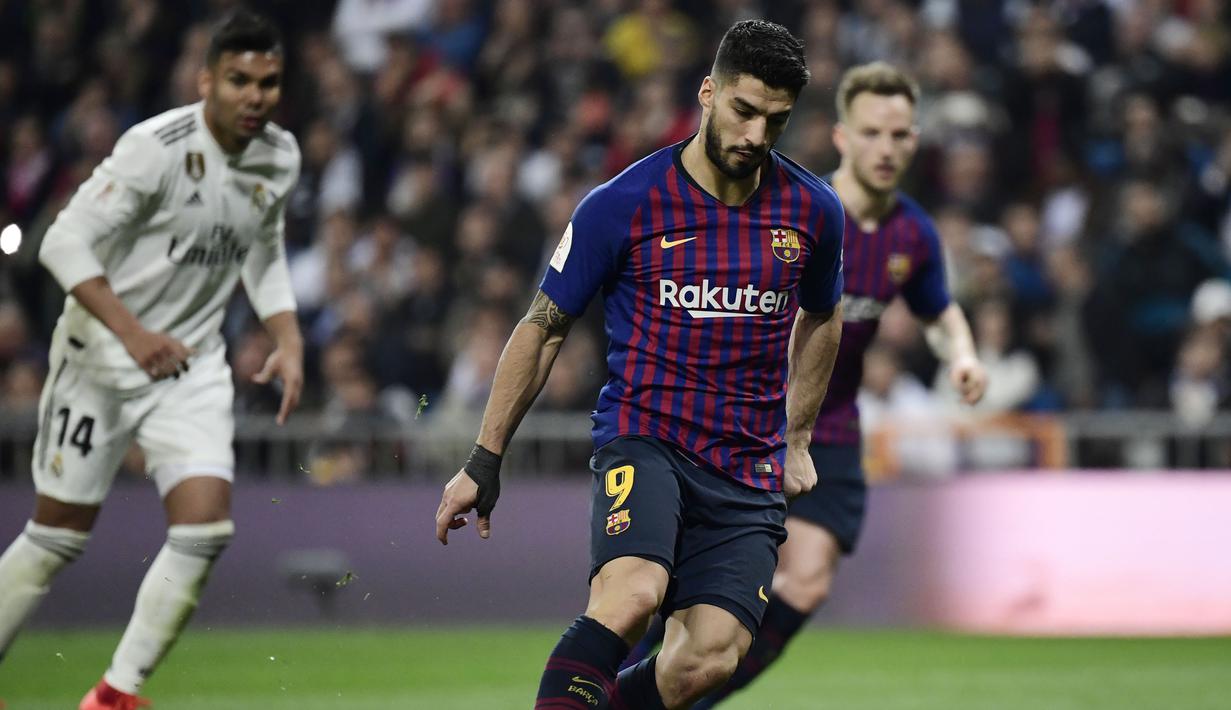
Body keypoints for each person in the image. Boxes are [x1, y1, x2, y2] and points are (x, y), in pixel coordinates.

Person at [434, 20, 845, 710]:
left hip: (745, 462)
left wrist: (797, 436)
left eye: (773, 121)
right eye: (743, 111)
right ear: (708, 93)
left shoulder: (812, 211)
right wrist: (484, 457)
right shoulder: (621, 203)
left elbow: (822, 315)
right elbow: (542, 327)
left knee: (708, 661)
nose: (753, 135)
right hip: (646, 438)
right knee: (632, 595)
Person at [0, 10, 302, 709]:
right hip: (101, 359)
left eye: (269, 82)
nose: (255, 96)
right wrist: (133, 335)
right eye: (239, 81)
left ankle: (114, 694)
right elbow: (62, 242)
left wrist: (286, 336)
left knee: (205, 527)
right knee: (54, 539)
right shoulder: (155, 148)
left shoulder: (279, 156)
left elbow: (262, 249)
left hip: (189, 364)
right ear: (206, 82)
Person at [690, 62, 988, 708]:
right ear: (842, 138)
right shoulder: (792, 209)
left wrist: (961, 356)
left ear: (914, 141)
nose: (887, 148)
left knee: (807, 582)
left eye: (900, 134)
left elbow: (938, 311)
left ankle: (686, 697)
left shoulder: (912, 232)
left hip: (827, 426)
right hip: (742, 419)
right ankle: (626, 686)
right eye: (873, 132)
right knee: (686, 590)